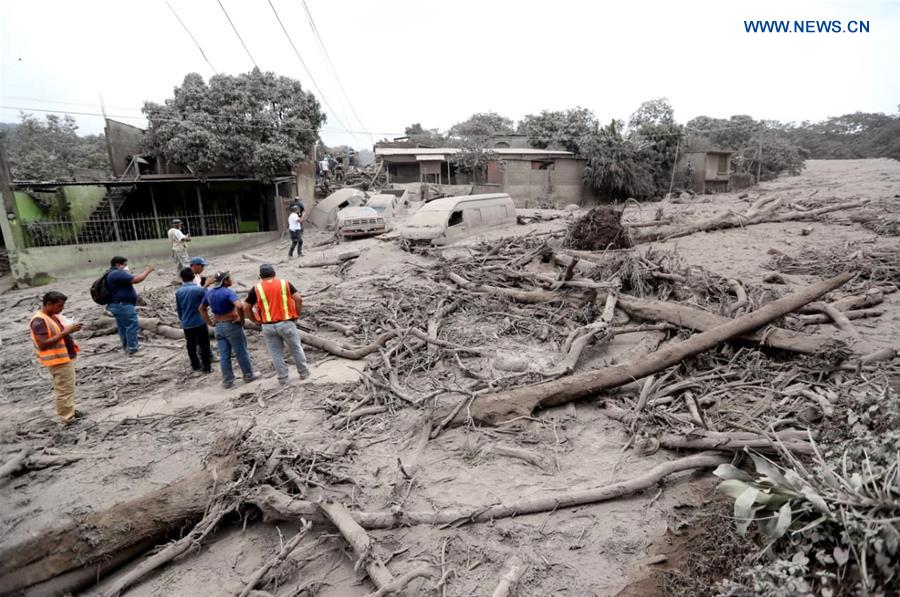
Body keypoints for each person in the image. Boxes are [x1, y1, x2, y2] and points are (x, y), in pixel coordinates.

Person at [243, 264, 310, 384]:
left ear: (260, 276)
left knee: (276, 353)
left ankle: (283, 379)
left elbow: (246, 307)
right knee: (296, 348)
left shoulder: (256, 288)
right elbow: (298, 299)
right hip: (286, 322)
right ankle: (304, 373)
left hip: (267, 326)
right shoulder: (285, 284)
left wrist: (254, 320)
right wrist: (296, 314)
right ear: (274, 273)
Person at [29, 291, 82, 426]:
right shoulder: (39, 321)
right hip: (58, 361)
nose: (62, 308)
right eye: (59, 306)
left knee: (67, 388)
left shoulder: (52, 316)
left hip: (64, 358)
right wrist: (66, 332)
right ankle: (67, 419)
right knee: (64, 390)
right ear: (49, 304)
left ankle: (71, 411)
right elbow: (42, 344)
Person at [199, 271, 259, 388]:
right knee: (241, 351)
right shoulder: (228, 292)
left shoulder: (210, 293)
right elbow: (239, 305)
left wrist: (210, 322)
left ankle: (227, 380)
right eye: (229, 278)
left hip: (219, 327)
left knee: (224, 354)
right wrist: (241, 319)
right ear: (224, 281)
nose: (231, 280)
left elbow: (201, 308)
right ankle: (248, 375)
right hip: (231, 325)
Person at [105, 256, 154, 354]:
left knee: (123, 326)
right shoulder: (117, 273)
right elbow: (136, 279)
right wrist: (147, 271)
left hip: (117, 305)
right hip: (123, 305)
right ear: (119, 265)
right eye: (125, 264)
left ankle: (127, 347)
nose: (126, 267)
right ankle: (133, 348)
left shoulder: (110, 273)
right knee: (132, 325)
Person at [176, 267, 212, 373]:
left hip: (187, 323)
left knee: (190, 345)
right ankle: (207, 367)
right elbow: (208, 299)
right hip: (199, 321)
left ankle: (195, 365)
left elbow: (179, 309)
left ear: (182, 278)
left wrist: (182, 320)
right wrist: (206, 285)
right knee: (204, 344)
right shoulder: (198, 290)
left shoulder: (179, 292)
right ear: (193, 277)